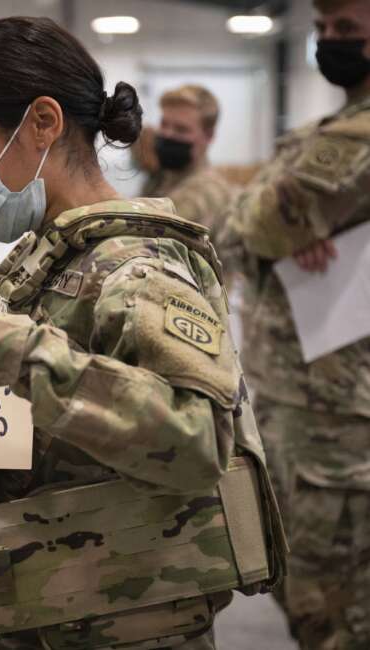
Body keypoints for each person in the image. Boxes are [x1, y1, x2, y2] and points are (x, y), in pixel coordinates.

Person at [0, 17, 284, 650]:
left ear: (42, 123)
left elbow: (197, 438)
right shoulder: (52, 255)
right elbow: (54, 385)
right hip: (26, 609)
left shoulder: (138, 264)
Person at [218, 0, 370, 646]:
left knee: (337, 602)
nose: (331, 42)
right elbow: (232, 232)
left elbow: (262, 218)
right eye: (323, 31)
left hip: (340, 413)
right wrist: (274, 223)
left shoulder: (355, 136)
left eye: (349, 32)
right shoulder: (328, 128)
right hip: (294, 394)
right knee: (298, 581)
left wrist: (275, 223)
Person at [139, 85, 234, 236]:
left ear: (208, 136)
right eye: (164, 124)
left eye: (181, 129)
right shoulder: (164, 177)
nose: (168, 134)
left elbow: (145, 234)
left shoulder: (206, 192)